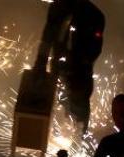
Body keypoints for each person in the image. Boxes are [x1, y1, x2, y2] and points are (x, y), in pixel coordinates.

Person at [33, 0, 105, 132]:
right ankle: (58, 134)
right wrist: (40, 64)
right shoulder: (57, 8)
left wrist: (82, 63)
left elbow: (96, 48)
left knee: (79, 109)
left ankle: (78, 140)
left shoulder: (95, 15)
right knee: (58, 104)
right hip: (58, 68)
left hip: (80, 73)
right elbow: (47, 38)